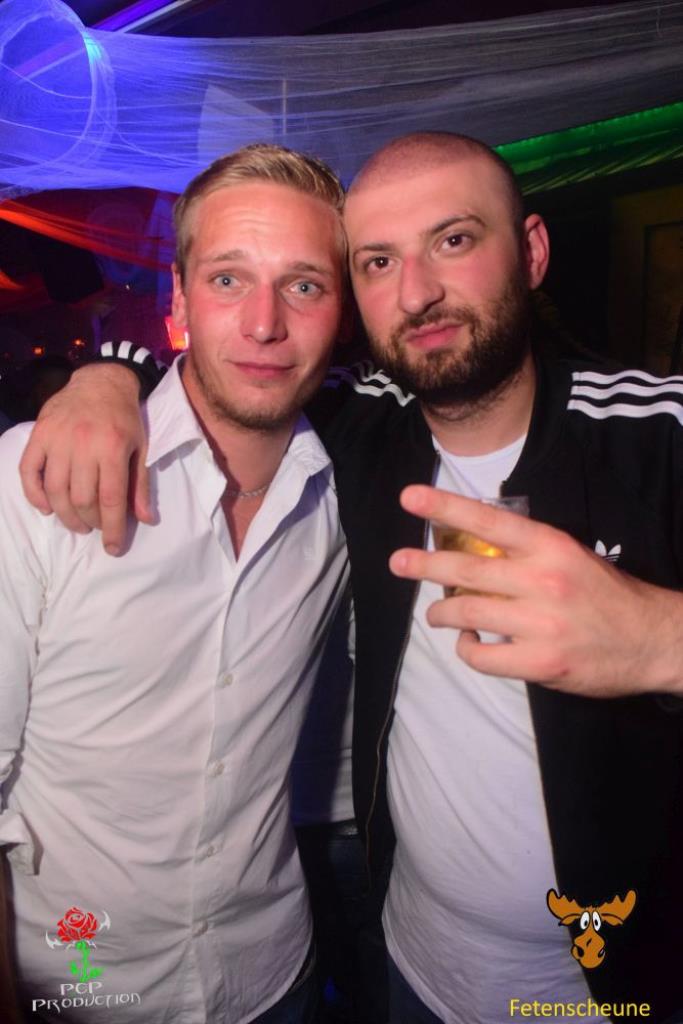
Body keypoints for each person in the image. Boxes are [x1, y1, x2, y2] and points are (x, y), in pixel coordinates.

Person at [18, 133, 683, 1023]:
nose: (416, 293)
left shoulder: (654, 435)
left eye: (454, 240)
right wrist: (105, 376)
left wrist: (661, 639)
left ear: (530, 252)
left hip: (625, 988)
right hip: (408, 967)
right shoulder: (355, 433)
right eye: (377, 261)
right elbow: (228, 376)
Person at [0, 144, 350, 1023]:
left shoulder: (354, 491)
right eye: (229, 280)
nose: (264, 324)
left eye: (304, 285)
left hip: (273, 975)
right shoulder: (31, 481)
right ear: (180, 302)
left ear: (342, 309)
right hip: (77, 990)